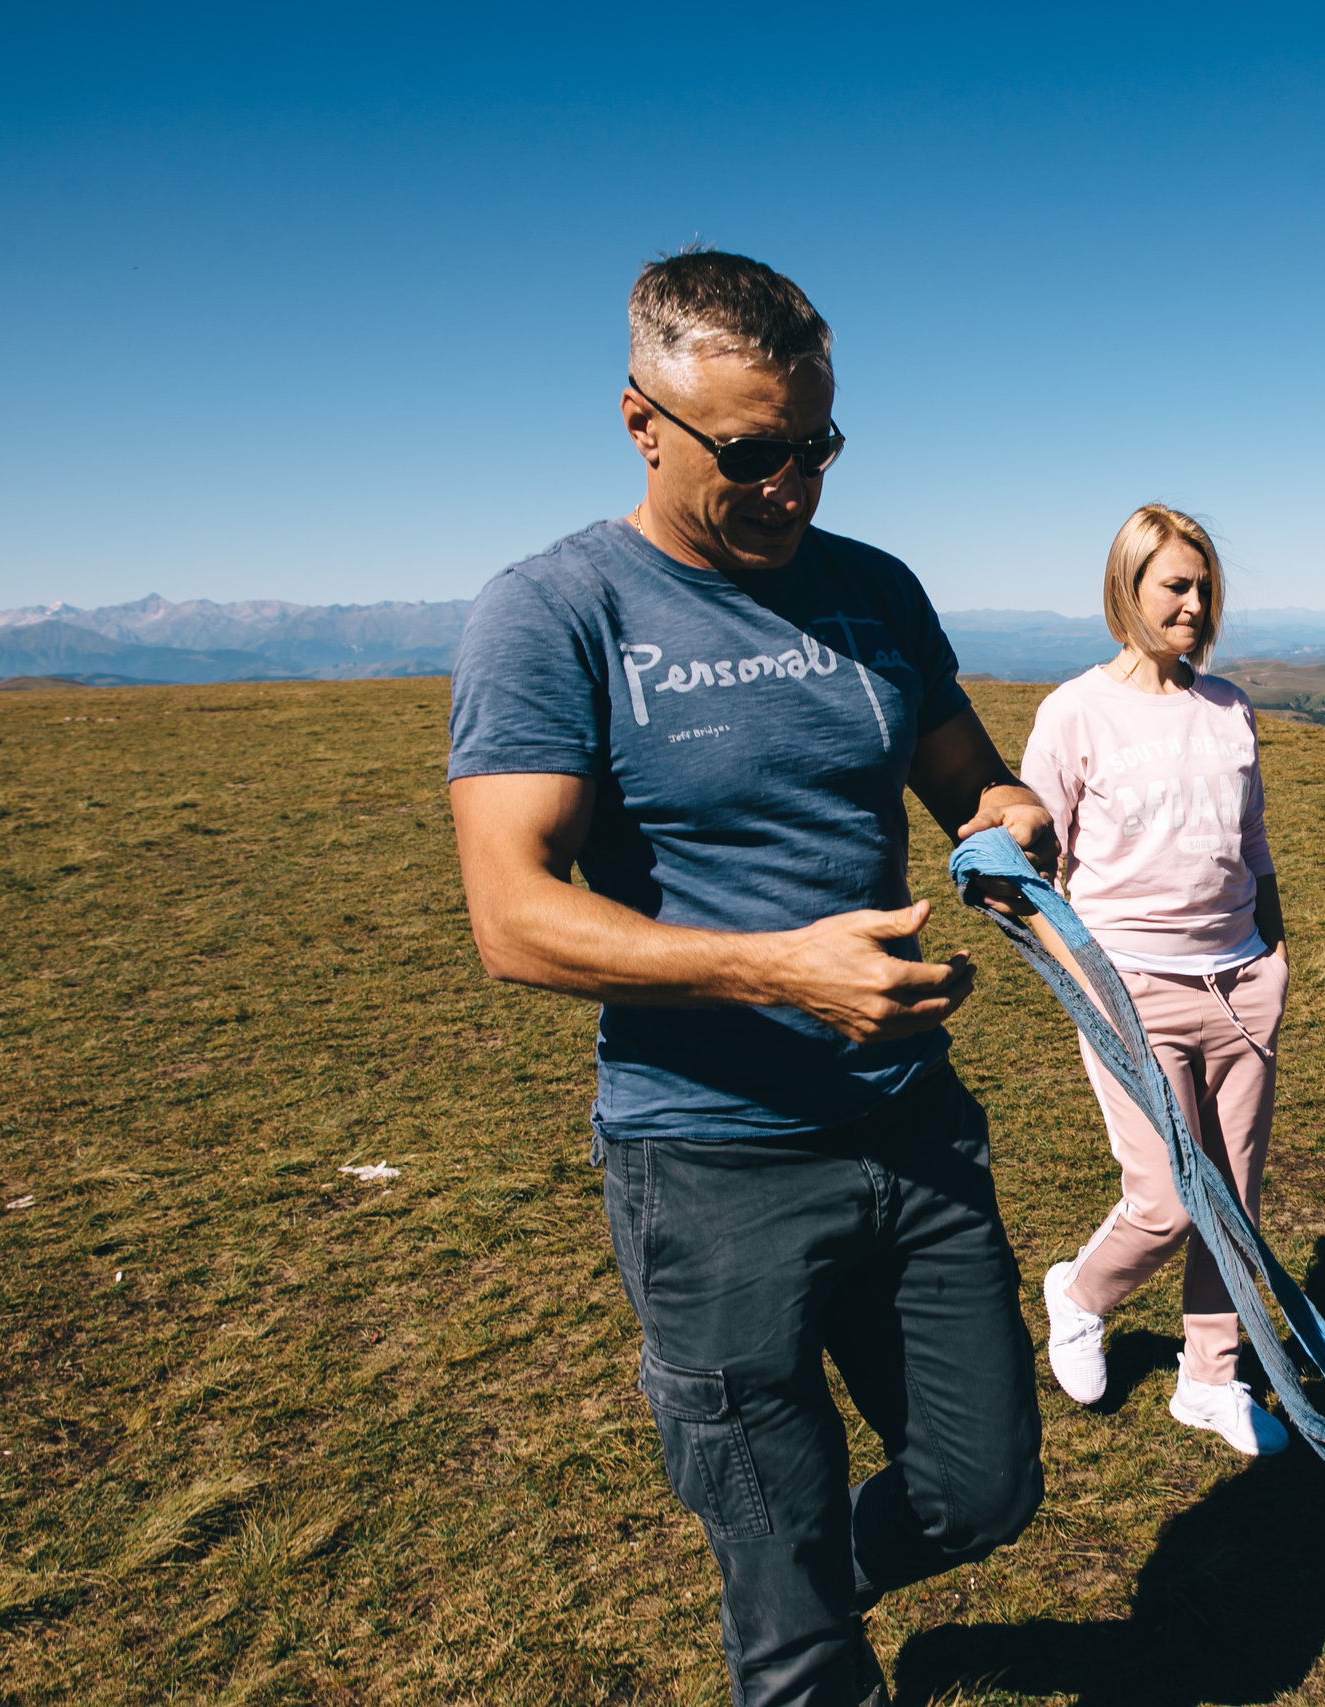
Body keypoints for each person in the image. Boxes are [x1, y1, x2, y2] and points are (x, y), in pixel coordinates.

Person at [446, 249, 1052, 1707]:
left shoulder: (874, 591)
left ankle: (817, 1585)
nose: (791, 487)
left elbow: (968, 777)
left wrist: (1009, 819)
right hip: (711, 1166)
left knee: (983, 1490)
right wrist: (775, 971)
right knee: (789, 1627)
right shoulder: (555, 611)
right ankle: (800, 1625)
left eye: (817, 448)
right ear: (641, 423)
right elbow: (513, 916)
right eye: (752, 453)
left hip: (914, 1131)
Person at [1016, 505, 1293, 1457]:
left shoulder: (1230, 706)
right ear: (1126, 590)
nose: (1195, 604)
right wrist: (1088, 981)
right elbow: (1030, 870)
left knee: (1234, 1203)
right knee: (1169, 1200)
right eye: (1176, 585)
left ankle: (1210, 1378)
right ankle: (1079, 1293)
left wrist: (1276, 956)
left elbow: (1253, 845)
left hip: (1241, 985)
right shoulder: (1074, 713)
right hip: (1131, 989)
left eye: (1204, 586)